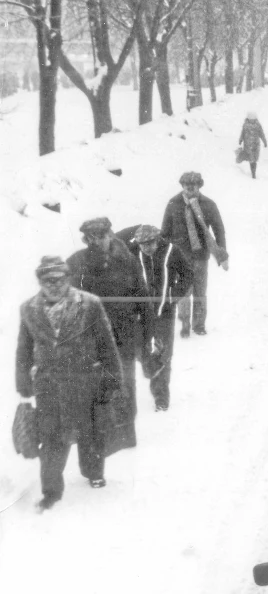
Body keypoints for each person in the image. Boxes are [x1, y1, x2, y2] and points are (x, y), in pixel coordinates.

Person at [16, 255, 123, 509]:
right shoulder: (29, 309)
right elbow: (24, 348)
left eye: (60, 279)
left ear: (68, 278)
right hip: (48, 383)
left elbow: (106, 344)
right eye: (47, 280)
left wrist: (111, 378)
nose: (54, 285)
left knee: (91, 431)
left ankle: (94, 472)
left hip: (85, 378)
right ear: (40, 281)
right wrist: (23, 381)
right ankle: (51, 490)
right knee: (51, 436)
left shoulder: (89, 304)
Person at [67, 216, 149, 450]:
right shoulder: (75, 263)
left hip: (124, 333)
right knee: (97, 386)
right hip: (91, 337)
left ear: (110, 234)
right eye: (92, 238)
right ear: (86, 239)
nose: (98, 241)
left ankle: (125, 435)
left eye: (102, 236)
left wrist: (149, 332)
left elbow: (142, 297)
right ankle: (102, 437)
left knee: (126, 382)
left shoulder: (127, 260)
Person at [114, 224, 194, 411]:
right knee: (140, 352)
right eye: (143, 244)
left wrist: (175, 293)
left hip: (164, 312)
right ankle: (144, 373)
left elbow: (188, 274)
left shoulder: (172, 252)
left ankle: (161, 398)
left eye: (150, 243)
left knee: (163, 352)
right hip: (140, 314)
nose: (147, 248)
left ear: (157, 240)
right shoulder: (132, 253)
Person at [160, 171, 228, 338]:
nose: (190, 188)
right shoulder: (173, 204)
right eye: (186, 185)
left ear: (199, 186)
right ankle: (184, 324)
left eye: (194, 185)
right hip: (180, 257)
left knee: (200, 290)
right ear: (182, 186)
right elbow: (165, 232)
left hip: (200, 255)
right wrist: (166, 255)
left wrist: (222, 253)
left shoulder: (209, 205)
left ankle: (199, 325)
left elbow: (219, 230)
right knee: (183, 291)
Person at [237, 112, 268, 179]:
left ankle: (253, 172)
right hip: (248, 145)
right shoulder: (245, 125)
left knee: (255, 159)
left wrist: (264, 141)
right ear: (248, 119)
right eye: (250, 119)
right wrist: (240, 139)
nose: (252, 121)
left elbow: (261, 133)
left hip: (256, 145)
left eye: (253, 119)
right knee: (251, 159)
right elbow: (242, 133)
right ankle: (253, 174)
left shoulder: (258, 125)